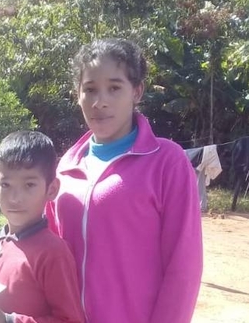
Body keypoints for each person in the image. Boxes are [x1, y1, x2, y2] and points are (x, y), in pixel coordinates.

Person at [45, 38, 203, 323]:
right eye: (89, 89)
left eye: (114, 88)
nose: (100, 101)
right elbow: (49, 257)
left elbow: (184, 266)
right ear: (77, 94)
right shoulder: (65, 168)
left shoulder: (166, 162)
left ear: (137, 91)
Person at [0, 131, 85, 323]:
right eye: (6, 185)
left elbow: (70, 320)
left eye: (29, 185)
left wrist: (8, 320)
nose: (15, 198)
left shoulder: (53, 252)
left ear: (51, 189)